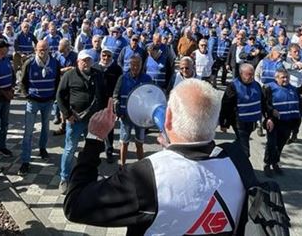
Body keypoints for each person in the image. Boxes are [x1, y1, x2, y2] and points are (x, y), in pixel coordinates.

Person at [63, 79, 248, 234]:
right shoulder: (239, 163)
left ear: (167, 117)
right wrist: (177, 151)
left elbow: (75, 206)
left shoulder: (145, 175)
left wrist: (94, 139)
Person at [56, 49, 106, 193]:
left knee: (92, 149)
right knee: (70, 149)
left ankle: (89, 175)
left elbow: (103, 94)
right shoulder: (69, 75)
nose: (86, 63)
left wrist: (102, 115)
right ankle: (64, 178)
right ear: (78, 61)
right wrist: (67, 115)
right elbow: (60, 96)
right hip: (75, 120)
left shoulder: (97, 75)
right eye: (83, 60)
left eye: (88, 60)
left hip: (93, 121)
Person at [18, 40, 61, 175]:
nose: (43, 52)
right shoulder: (29, 63)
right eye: (40, 49)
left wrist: (54, 96)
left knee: (45, 127)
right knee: (28, 131)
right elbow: (23, 81)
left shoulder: (54, 63)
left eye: (45, 49)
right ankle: (25, 161)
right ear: (36, 50)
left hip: (48, 101)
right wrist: (27, 96)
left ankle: (42, 149)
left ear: (49, 49)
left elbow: (57, 81)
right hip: (33, 101)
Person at [262, 69, 301, 174]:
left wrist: (296, 127)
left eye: (287, 77)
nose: (285, 79)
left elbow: (298, 108)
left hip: (288, 122)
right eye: (282, 77)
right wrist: (270, 114)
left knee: (280, 144)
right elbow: (264, 104)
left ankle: (275, 163)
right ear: (276, 78)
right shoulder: (269, 88)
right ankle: (267, 164)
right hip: (273, 122)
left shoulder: (293, 89)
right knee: (271, 144)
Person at [220, 63, 262, 156]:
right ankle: (243, 167)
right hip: (239, 122)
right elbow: (226, 106)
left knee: (241, 140)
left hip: (252, 121)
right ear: (241, 74)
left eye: (252, 74)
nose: (252, 77)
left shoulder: (257, 85)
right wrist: (224, 123)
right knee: (245, 150)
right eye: (249, 74)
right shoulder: (233, 86)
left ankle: (230, 150)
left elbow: (263, 102)